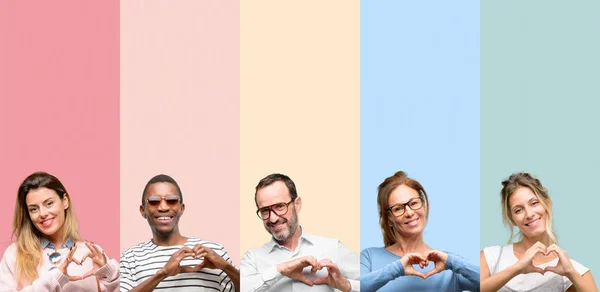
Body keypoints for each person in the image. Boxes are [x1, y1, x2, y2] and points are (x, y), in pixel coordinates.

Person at [0, 171, 120, 291]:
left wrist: (109, 273)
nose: (42, 213)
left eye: (49, 203)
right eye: (34, 209)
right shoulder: (14, 254)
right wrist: (54, 279)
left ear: (65, 201)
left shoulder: (91, 253)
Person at [360, 171, 479, 291]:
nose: (409, 213)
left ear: (424, 206)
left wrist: (455, 263)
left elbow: (489, 284)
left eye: (414, 203)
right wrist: (397, 269)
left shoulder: (449, 264)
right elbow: (353, 288)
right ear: (389, 219)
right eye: (398, 208)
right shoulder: (370, 257)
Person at [240, 173, 360, 292]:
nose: (273, 218)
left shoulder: (333, 247)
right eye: (265, 210)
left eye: (280, 206)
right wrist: (280, 270)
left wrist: (347, 285)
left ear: (297, 204)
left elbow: (372, 286)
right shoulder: (252, 259)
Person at [119, 174, 240, 292]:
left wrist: (226, 267)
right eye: (154, 201)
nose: (163, 207)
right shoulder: (131, 258)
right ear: (143, 210)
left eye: (171, 200)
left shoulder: (213, 251)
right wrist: (163, 273)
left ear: (181, 208)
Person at [480, 172, 597, 291]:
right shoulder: (492, 257)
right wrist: (517, 268)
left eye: (534, 203)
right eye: (518, 210)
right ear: (512, 218)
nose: (529, 214)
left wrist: (571, 272)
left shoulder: (571, 270)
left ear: (548, 203)